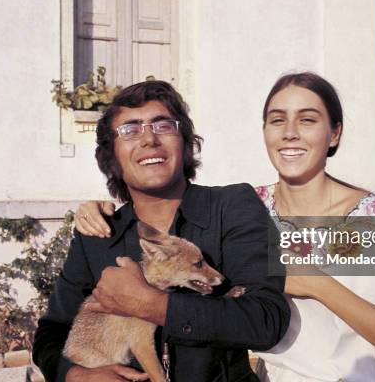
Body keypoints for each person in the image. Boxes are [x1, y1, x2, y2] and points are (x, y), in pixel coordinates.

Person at [77, 72, 375, 382]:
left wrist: (317, 284)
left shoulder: (373, 219)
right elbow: (171, 225)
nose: (289, 132)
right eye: (277, 120)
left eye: (307, 120)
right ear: (265, 132)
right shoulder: (249, 209)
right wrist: (106, 210)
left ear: (334, 133)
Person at [33, 80, 290, 382]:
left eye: (163, 125)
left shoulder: (231, 206)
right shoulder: (99, 234)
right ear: (113, 157)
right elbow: (51, 333)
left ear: (184, 142)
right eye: (130, 130)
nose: (148, 139)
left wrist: (153, 304)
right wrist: (75, 375)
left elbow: (266, 322)